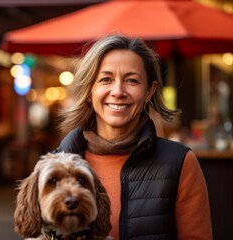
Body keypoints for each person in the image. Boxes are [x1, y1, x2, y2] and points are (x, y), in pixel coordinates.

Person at [53, 35, 212, 239]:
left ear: (149, 91)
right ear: (89, 90)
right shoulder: (56, 166)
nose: (118, 91)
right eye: (105, 79)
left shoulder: (180, 163)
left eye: (132, 80)